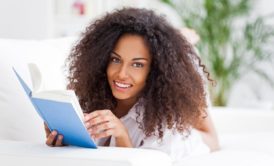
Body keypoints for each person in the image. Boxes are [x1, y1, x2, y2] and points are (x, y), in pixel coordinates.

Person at [44, 7, 219, 161]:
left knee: (187, 60)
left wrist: (122, 135)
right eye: (115, 59)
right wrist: (63, 143)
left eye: (137, 64)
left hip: (191, 134)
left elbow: (212, 139)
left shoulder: (164, 128)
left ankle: (184, 40)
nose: (121, 74)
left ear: (154, 69)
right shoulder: (90, 95)